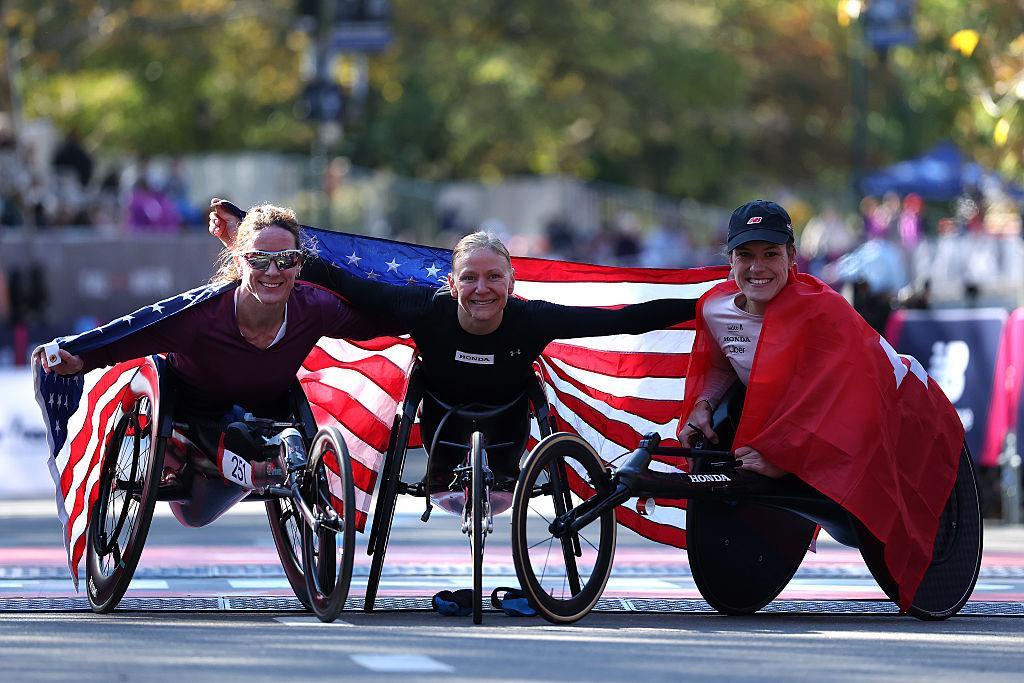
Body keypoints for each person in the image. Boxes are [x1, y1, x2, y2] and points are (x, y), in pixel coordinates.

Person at [210, 201, 698, 486]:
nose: (481, 290)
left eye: (493, 279)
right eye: (470, 278)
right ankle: (446, 477)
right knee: (442, 473)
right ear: (451, 284)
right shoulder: (427, 309)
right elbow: (335, 275)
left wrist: (699, 306)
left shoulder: (532, 319)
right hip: (440, 423)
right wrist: (242, 240)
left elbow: (621, 318)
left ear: (511, 283)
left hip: (509, 427)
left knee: (507, 464)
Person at [676, 199, 964, 612]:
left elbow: (849, 402)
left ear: (792, 257)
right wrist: (703, 402)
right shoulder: (715, 308)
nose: (757, 268)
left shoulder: (824, 310)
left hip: (889, 413)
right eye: (746, 256)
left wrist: (782, 458)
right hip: (790, 423)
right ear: (730, 261)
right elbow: (720, 362)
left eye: (771, 254)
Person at [38, 204, 390, 525]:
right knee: (217, 458)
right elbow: (135, 331)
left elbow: (381, 321)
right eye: (258, 259)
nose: (273, 271)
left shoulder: (314, 308)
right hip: (191, 422)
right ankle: (253, 468)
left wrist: (434, 315)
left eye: (285, 260)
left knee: (250, 431)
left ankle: (266, 465)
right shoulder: (201, 316)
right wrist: (79, 355)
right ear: (239, 261)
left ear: (299, 265)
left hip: (262, 416)